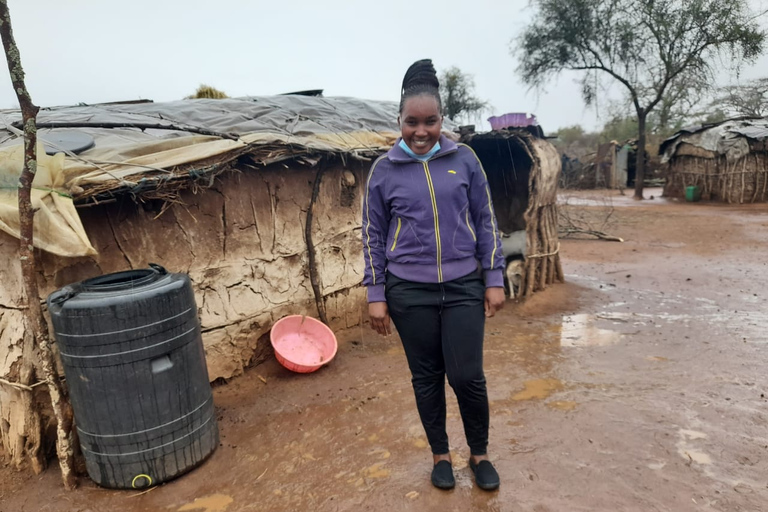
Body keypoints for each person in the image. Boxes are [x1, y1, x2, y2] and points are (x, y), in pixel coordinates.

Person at [362, 59, 505, 491]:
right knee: (426, 377)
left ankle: (478, 453)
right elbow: (372, 234)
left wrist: (493, 278)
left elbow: (486, 219)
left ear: (442, 120)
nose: (421, 131)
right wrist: (376, 292)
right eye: (411, 122)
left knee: (467, 376)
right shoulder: (384, 171)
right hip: (409, 292)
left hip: (463, 285)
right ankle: (440, 456)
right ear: (399, 121)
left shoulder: (464, 159)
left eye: (430, 121)